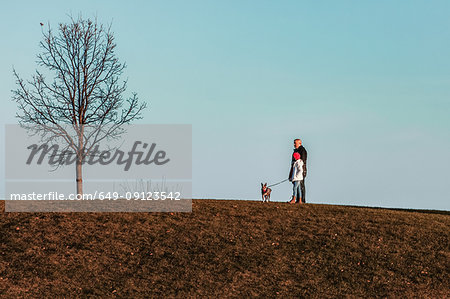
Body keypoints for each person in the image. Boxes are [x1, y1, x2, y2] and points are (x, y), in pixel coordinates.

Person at [289, 139, 307, 203]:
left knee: (300, 186)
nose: (294, 144)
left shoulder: (302, 150)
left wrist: (300, 173)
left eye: (295, 143)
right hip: (295, 172)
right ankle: (299, 200)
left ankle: (301, 200)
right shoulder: (296, 151)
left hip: (300, 172)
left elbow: (303, 162)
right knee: (298, 186)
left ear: (300, 143)